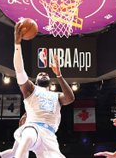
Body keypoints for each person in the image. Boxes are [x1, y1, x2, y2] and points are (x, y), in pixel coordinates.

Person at [13, 21, 75, 158]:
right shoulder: (30, 89)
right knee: (28, 136)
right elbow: (19, 70)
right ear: (34, 81)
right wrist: (17, 45)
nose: (43, 73)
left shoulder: (57, 96)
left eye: (46, 73)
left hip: (50, 136)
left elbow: (70, 98)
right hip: (33, 127)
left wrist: (59, 74)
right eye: (40, 74)